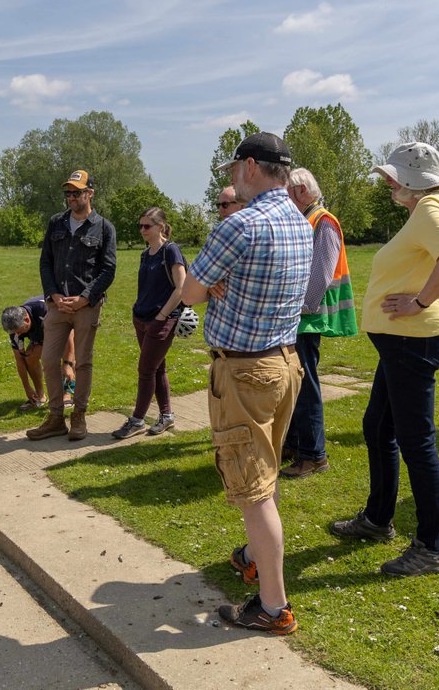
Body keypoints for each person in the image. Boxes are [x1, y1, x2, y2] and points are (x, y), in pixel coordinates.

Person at [182, 132, 311, 635]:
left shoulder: (239, 225)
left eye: (236, 167)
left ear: (252, 167)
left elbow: (191, 292)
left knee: (253, 491)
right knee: (266, 479)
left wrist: (211, 282)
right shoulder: (300, 220)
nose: (233, 176)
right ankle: (260, 565)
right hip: (284, 363)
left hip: (244, 371)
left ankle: (273, 606)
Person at [330, 142, 439, 577]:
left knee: (416, 441)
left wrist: (420, 302)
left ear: (413, 178)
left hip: (413, 340)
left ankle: (432, 547)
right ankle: (377, 519)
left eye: (392, 175)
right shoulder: (433, 206)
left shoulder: (429, 207)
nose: (387, 181)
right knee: (379, 426)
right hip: (401, 342)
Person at [27, 169, 117, 442]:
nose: (71, 198)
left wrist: (85, 298)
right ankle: (55, 417)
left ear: (90, 193)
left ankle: (79, 415)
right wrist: (53, 295)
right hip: (56, 306)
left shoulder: (104, 227)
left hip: (85, 306)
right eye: (68, 193)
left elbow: (109, 269)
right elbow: (45, 262)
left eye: (77, 192)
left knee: (83, 362)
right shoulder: (56, 223)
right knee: (48, 359)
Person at [280, 167, 358, 478]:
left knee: (306, 388)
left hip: (308, 318)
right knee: (295, 385)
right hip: (300, 318)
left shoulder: (323, 221)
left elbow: (321, 274)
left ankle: (314, 455)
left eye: (287, 192)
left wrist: (302, 307)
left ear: (300, 192)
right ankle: (295, 445)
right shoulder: (307, 219)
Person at [111, 207, 187, 439]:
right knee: (157, 367)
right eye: (140, 226)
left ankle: (137, 420)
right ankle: (167, 416)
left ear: (161, 226)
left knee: (145, 370)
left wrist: (162, 316)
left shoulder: (171, 251)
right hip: (142, 318)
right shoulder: (146, 254)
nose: (142, 230)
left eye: (147, 226)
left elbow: (181, 288)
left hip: (161, 320)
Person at [0, 298, 76, 412]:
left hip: (65, 326)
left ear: (26, 319)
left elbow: (68, 336)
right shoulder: (14, 327)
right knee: (30, 357)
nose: (17, 335)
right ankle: (40, 396)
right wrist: (27, 388)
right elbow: (20, 360)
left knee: (69, 358)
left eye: (19, 331)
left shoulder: (44, 310)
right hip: (41, 333)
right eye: (14, 332)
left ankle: (67, 394)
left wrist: (67, 364)